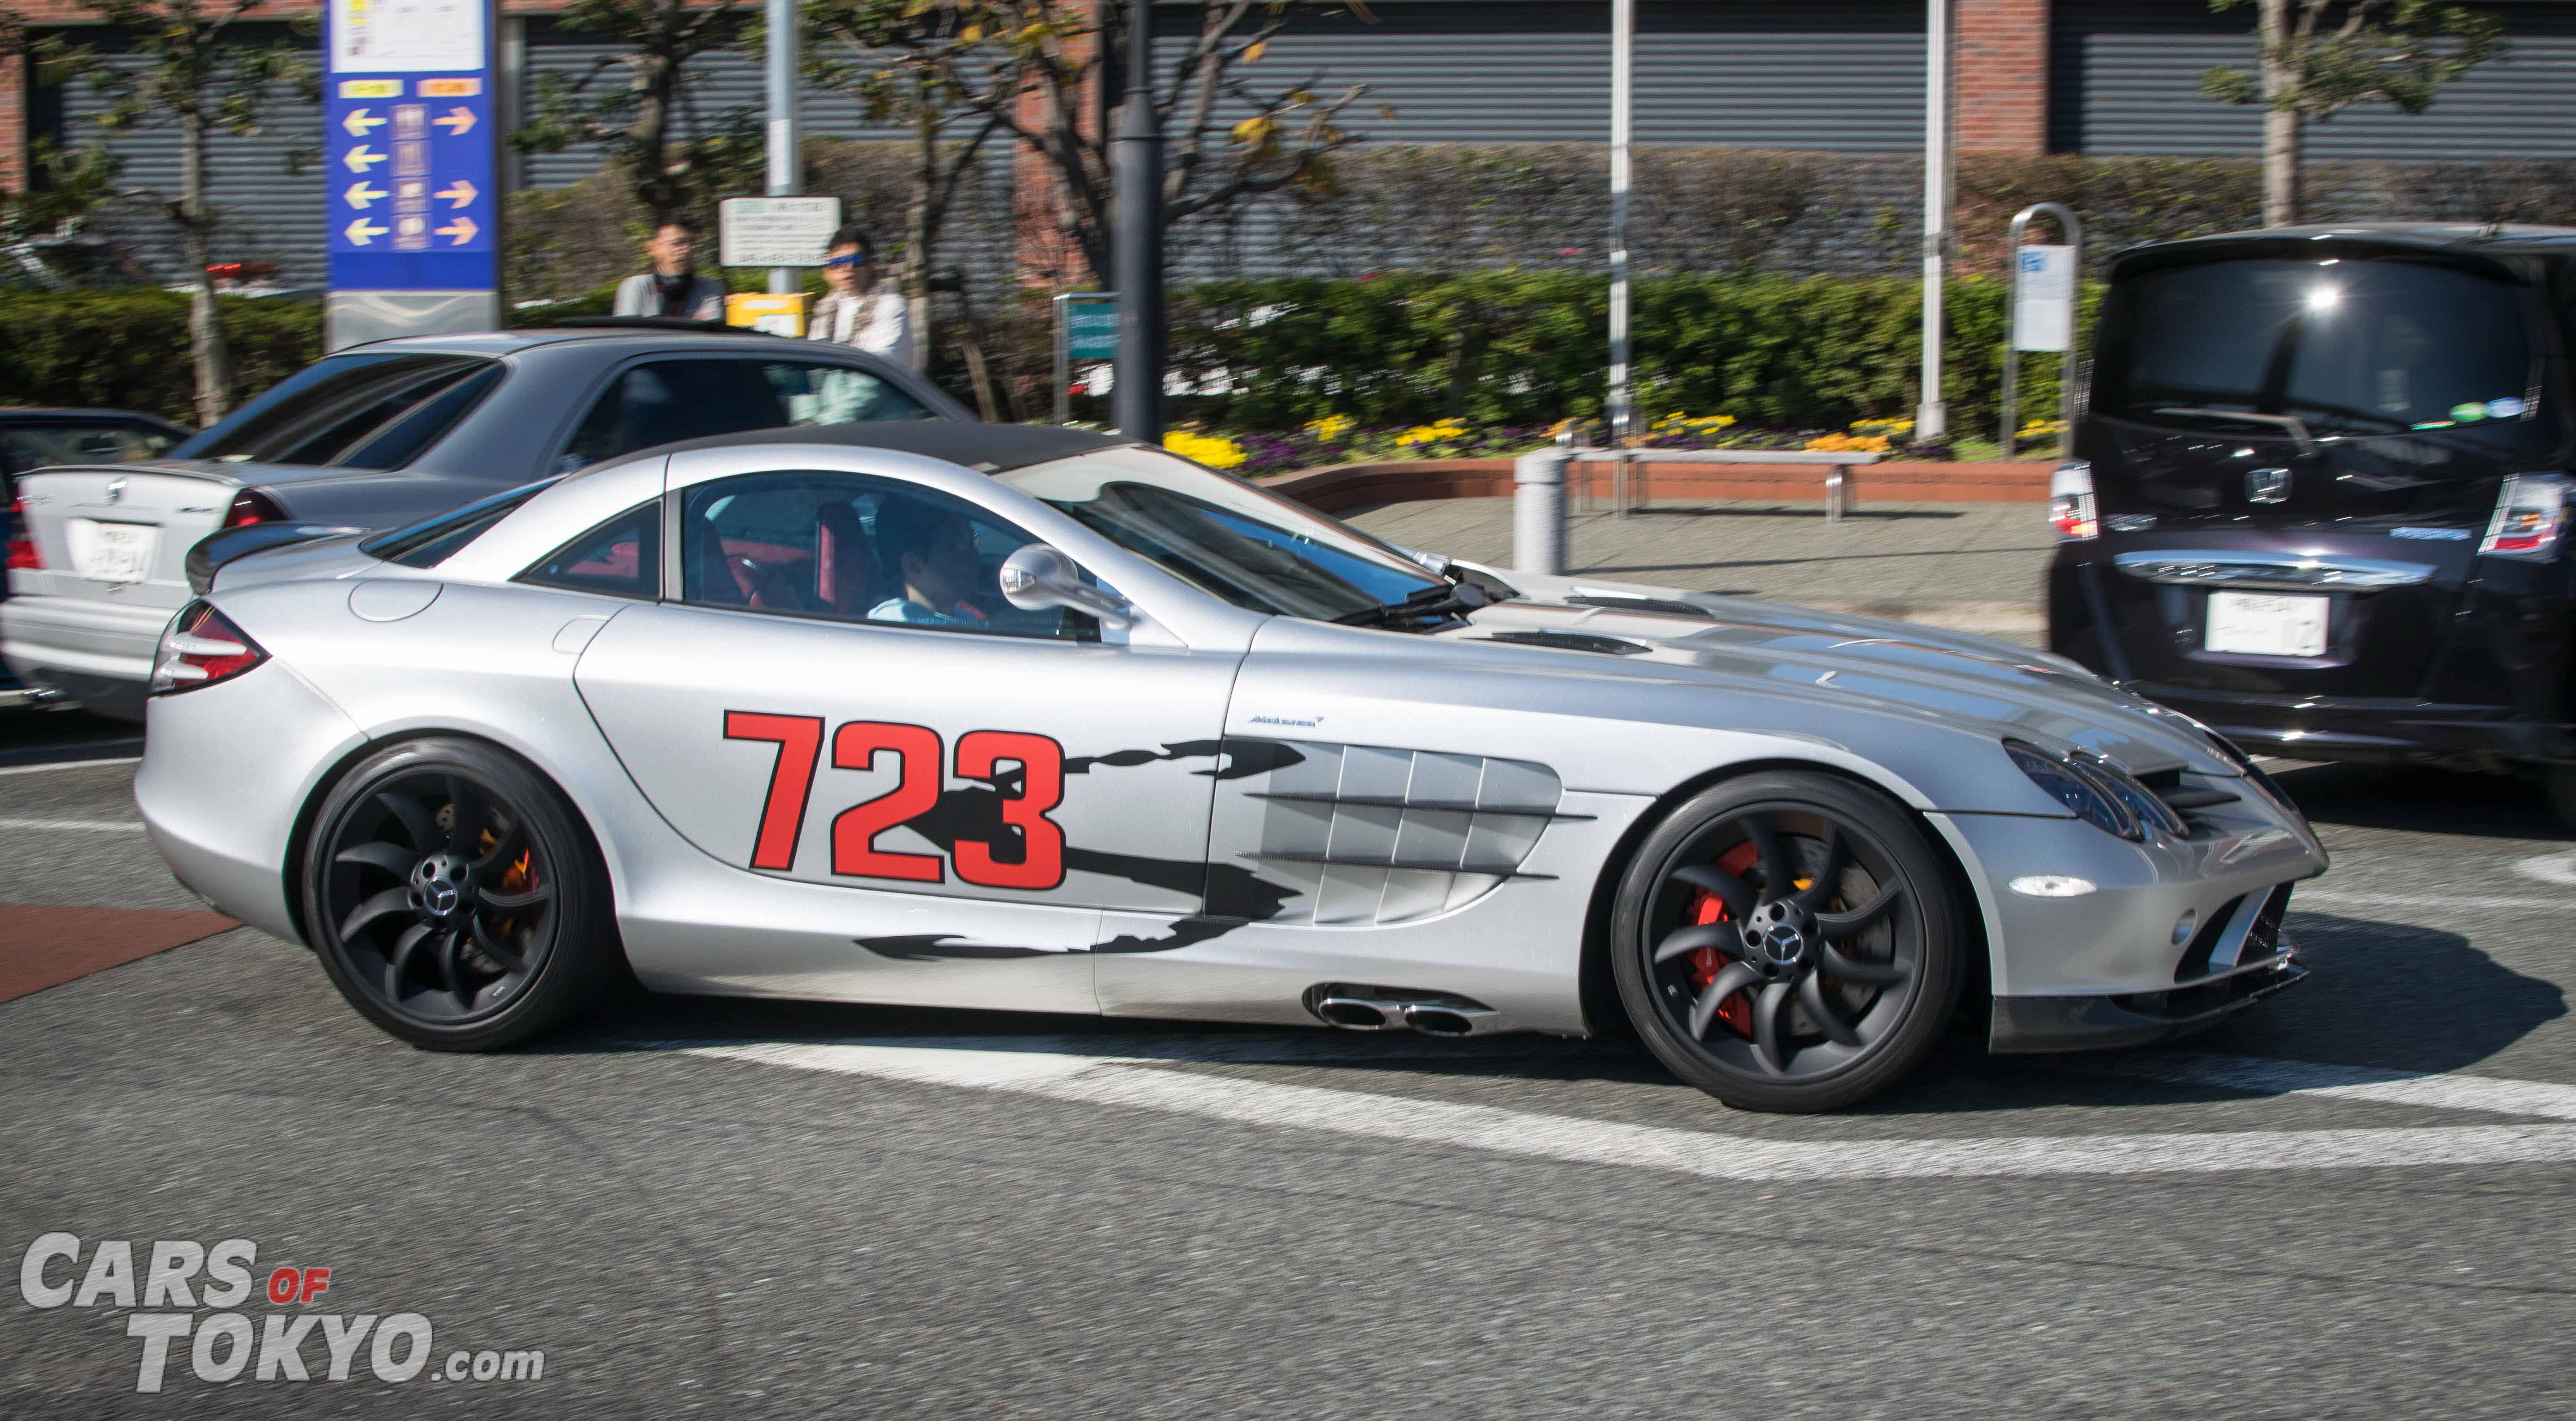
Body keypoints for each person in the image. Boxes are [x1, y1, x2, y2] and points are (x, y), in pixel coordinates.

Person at [867, 497, 988, 628]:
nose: (974, 556)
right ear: (913, 565)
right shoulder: (897, 627)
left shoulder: (960, 617)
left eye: (972, 541)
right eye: (958, 546)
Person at [806, 226, 913, 369]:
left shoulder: (890, 305)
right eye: (838, 263)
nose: (847, 268)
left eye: (856, 260)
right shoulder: (824, 310)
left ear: (870, 266)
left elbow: (877, 365)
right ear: (827, 272)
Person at [612, 220, 726, 321]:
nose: (687, 250)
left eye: (692, 244)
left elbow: (708, 334)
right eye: (678, 244)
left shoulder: (710, 288)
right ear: (653, 248)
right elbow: (629, 334)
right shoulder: (637, 287)